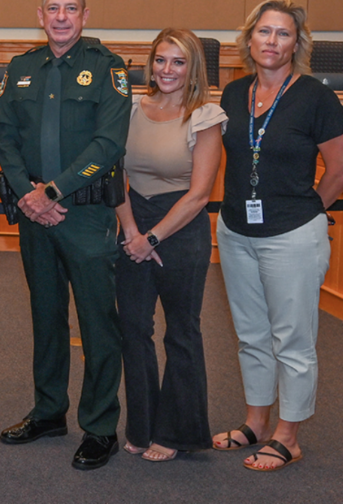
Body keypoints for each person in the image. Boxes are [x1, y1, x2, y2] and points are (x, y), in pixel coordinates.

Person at [0, 0, 131, 470]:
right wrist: (31, 195)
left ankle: (99, 426)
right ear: (40, 12)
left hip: (87, 217)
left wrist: (53, 190)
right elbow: (3, 135)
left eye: (71, 9)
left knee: (97, 325)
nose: (61, 17)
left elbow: (109, 144)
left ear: (85, 15)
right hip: (35, 217)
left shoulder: (109, 69)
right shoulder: (21, 68)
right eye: (53, 8)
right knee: (46, 318)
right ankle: (49, 411)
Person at [211, 0, 343, 472]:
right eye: (264, 32)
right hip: (234, 231)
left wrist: (307, 214)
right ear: (248, 39)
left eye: (283, 34)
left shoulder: (316, 96)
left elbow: (339, 169)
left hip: (291, 235)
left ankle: (287, 436)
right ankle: (255, 421)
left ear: (297, 43)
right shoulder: (233, 94)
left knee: (292, 338)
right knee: (251, 335)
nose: (272, 42)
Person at [114, 28, 225, 462]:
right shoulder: (129, 110)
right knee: (134, 330)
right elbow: (114, 174)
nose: (167, 70)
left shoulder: (206, 115)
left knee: (181, 332)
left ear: (193, 67)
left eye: (178, 62)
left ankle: (177, 431)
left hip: (181, 230)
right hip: (131, 225)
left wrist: (154, 237)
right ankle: (142, 426)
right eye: (160, 60)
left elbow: (199, 194)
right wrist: (131, 234)